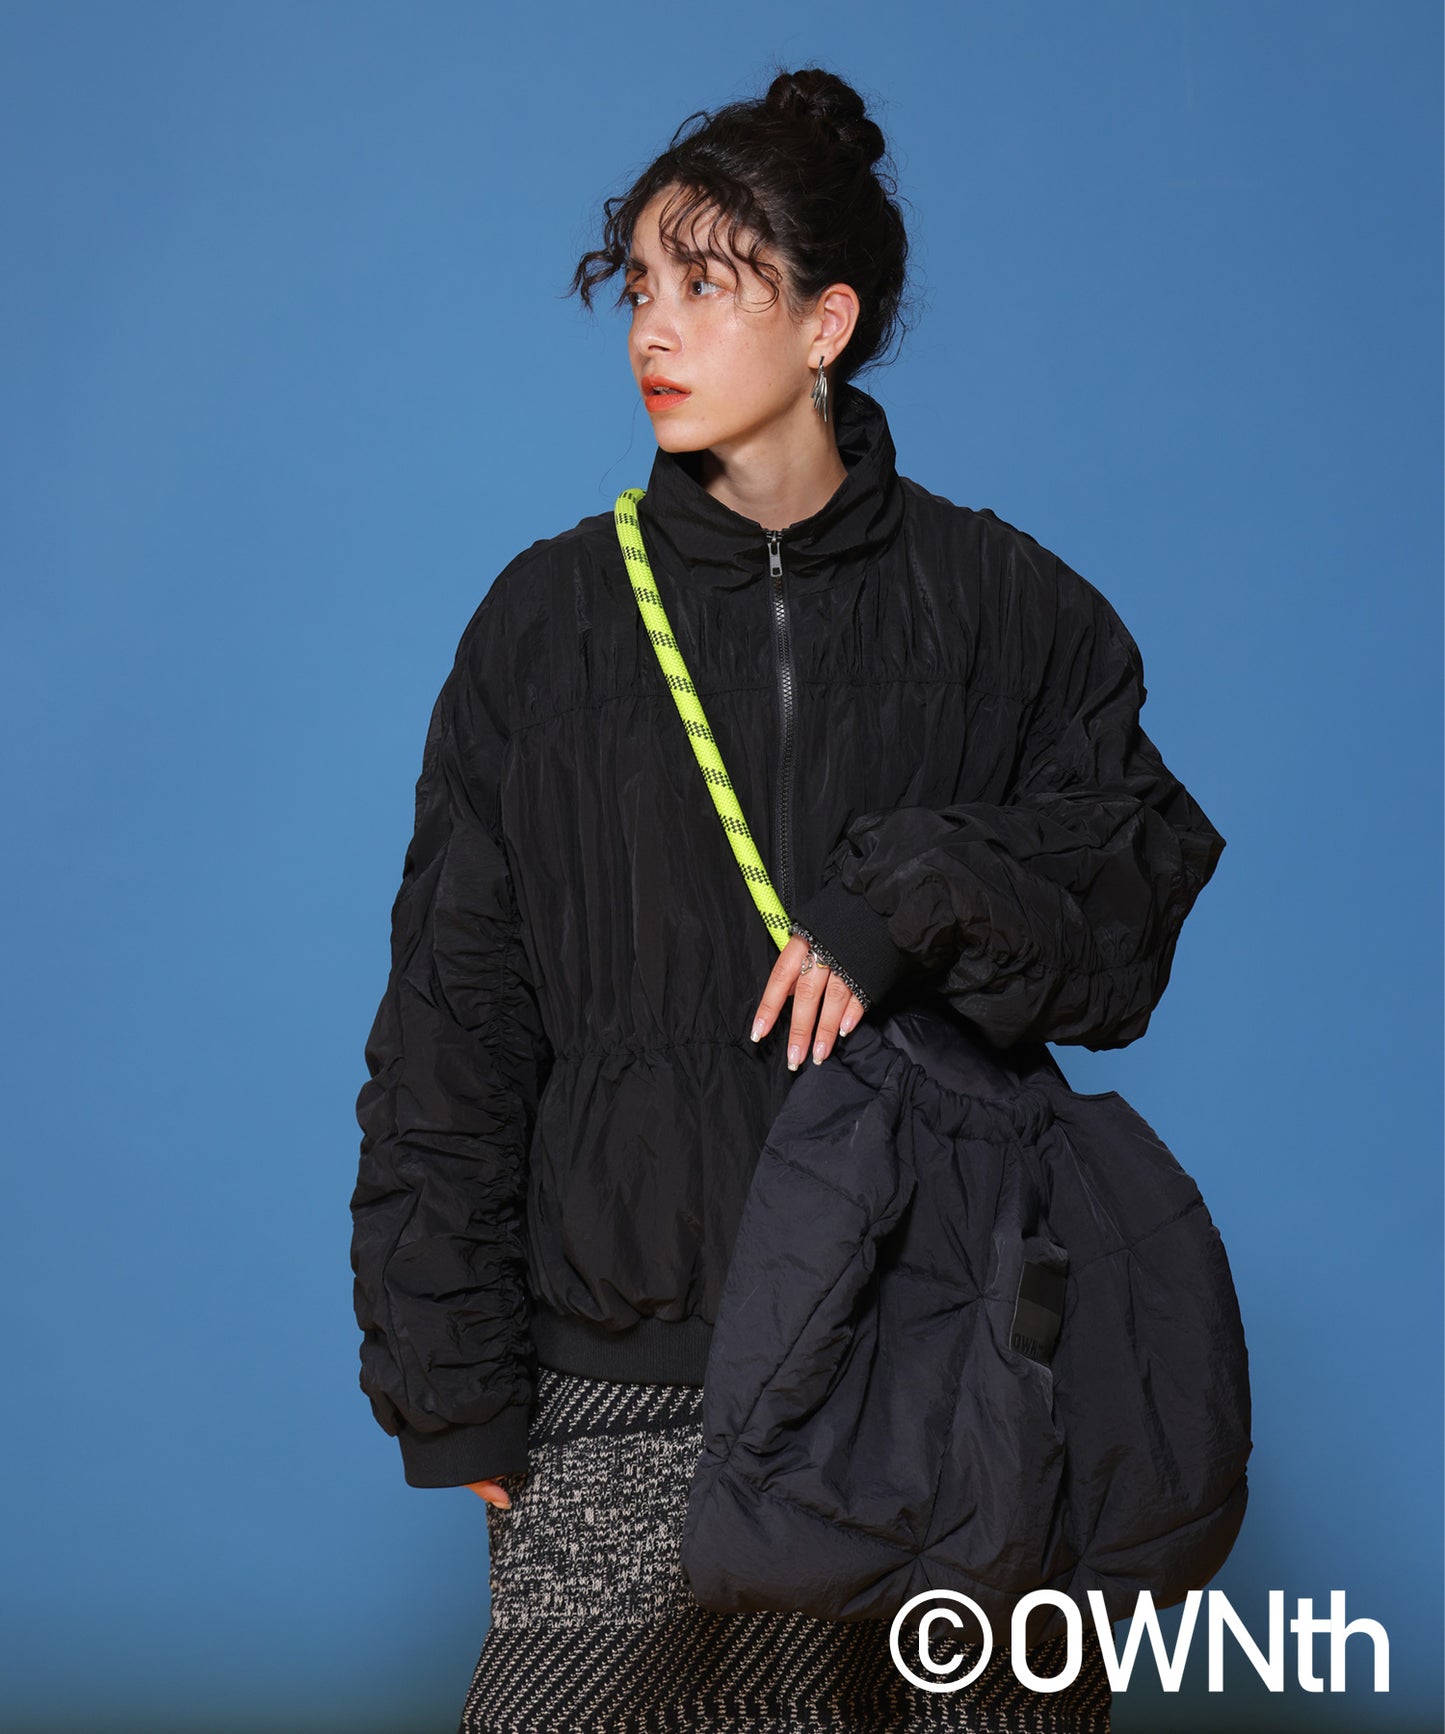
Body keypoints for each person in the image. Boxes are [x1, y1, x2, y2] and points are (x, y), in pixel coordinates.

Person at [350, 63, 1225, 1733]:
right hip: (629, 1378)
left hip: (941, 1357)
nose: (652, 330)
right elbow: (452, 1024)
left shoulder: (1009, 608)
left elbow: (1128, 897)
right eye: (639, 286)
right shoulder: (543, 626)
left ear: (827, 323)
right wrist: (449, 1380)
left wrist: (910, 898)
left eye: (706, 284)